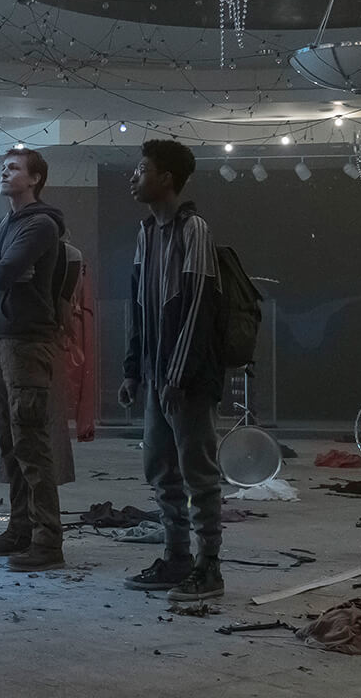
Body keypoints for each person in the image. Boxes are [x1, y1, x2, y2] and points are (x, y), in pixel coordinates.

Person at [120, 139, 226, 602]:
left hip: (186, 382)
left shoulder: (194, 230)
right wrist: (133, 371)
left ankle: (210, 568)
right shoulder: (146, 233)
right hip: (158, 379)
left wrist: (178, 378)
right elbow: (139, 306)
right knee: (161, 470)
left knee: (198, 474)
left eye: (142, 169)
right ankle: (176, 557)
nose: (134, 177)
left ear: (166, 178)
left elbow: (201, 306)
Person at [0, 147, 67, 572]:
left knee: (30, 444)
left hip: (27, 342)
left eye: (13, 168)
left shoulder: (41, 224)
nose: (5, 174)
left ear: (35, 179)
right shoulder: (7, 222)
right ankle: (20, 530)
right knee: (10, 445)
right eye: (3, 168)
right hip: (3, 338)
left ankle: (47, 542)